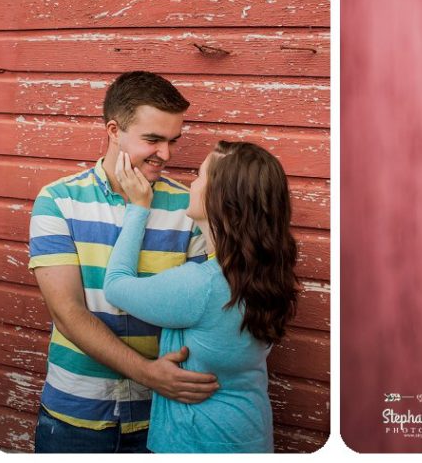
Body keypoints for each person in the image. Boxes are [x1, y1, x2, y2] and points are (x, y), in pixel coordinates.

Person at [28, 71, 219, 453]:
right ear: (114, 130)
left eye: (172, 141)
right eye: (153, 139)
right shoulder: (58, 201)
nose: (165, 154)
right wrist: (149, 374)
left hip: (161, 418)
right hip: (74, 415)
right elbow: (67, 312)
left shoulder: (190, 208)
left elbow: (205, 306)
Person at [103, 140, 299, 452]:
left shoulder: (203, 285)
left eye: (200, 176)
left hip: (199, 442)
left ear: (220, 199)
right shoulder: (265, 273)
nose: (191, 183)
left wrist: (138, 207)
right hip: (248, 433)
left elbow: (114, 285)